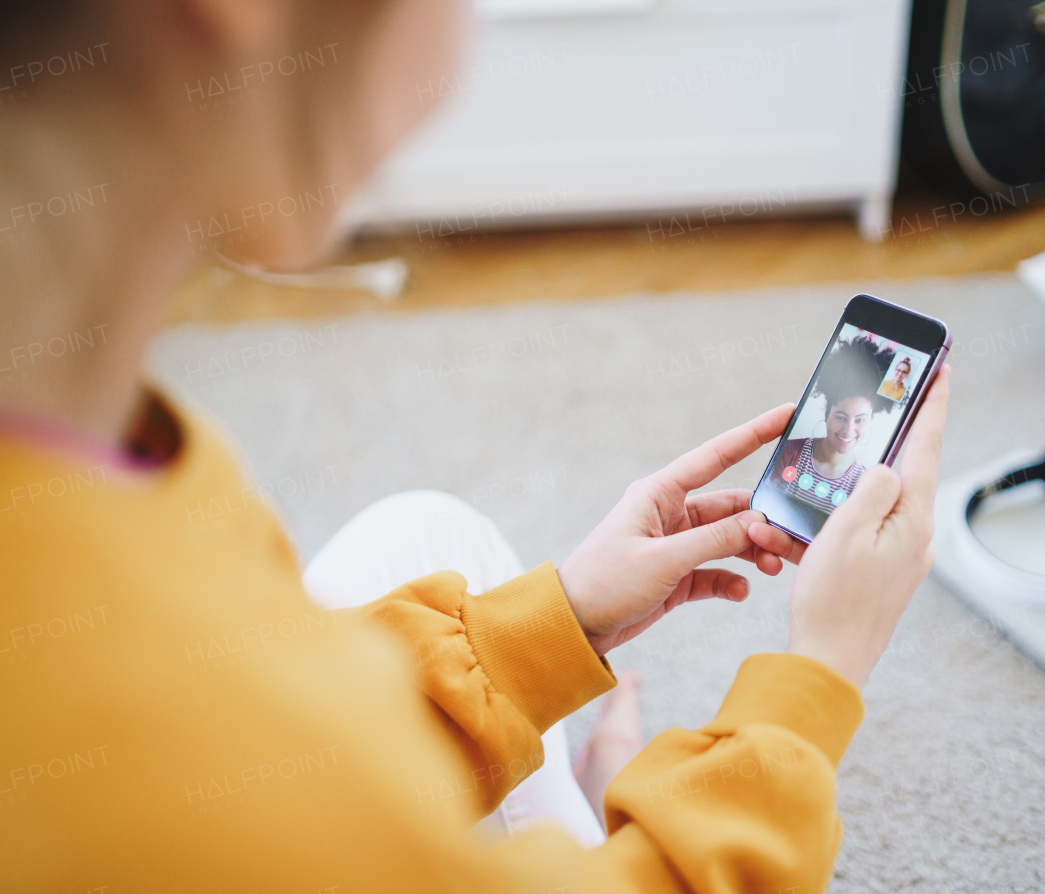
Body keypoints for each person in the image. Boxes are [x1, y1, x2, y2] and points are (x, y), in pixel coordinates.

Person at [0, 2, 952, 892]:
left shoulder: (97, 443)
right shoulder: (214, 802)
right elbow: (286, 788)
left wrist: (562, 623)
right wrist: (817, 680)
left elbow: (278, 749)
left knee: (425, 529)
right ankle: (586, 818)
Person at [772, 336, 897, 510]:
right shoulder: (791, 451)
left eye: (860, 420)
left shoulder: (863, 482)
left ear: (869, 422)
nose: (848, 430)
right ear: (826, 414)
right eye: (841, 417)